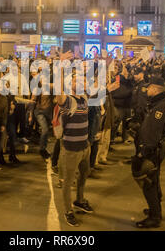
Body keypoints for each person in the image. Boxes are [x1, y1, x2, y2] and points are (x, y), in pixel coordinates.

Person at [56, 51, 93, 227]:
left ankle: (79, 200)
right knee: (68, 182)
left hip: (85, 146)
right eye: (77, 80)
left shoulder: (84, 99)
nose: (81, 81)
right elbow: (58, 90)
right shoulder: (68, 101)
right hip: (71, 148)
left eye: (82, 79)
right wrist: (61, 66)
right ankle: (68, 211)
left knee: (84, 175)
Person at [134, 76, 165, 228]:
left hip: (152, 151)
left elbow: (153, 133)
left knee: (149, 183)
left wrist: (144, 152)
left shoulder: (160, 108)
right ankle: (155, 209)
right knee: (154, 181)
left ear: (156, 89)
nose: (147, 90)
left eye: (149, 88)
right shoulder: (158, 104)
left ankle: (154, 216)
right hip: (154, 149)